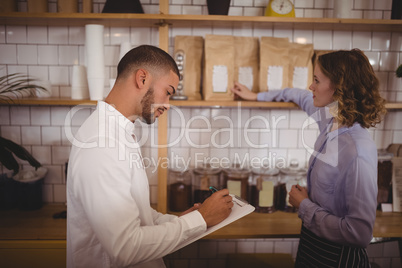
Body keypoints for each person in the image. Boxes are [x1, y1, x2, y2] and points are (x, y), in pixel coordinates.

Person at [66, 45, 233, 268]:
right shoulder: (102, 144)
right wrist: (200, 220)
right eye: (168, 92)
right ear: (142, 78)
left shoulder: (119, 132)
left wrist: (183, 221)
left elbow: (137, 211)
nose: (168, 105)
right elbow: (125, 248)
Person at [231, 49, 386, 268]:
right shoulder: (329, 118)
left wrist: (304, 205)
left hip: (338, 258)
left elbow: (359, 233)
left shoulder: (358, 151)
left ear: (339, 88)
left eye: (316, 80)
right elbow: (296, 94)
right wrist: (255, 95)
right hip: (312, 245)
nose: (310, 87)